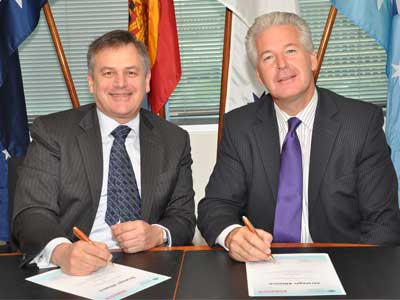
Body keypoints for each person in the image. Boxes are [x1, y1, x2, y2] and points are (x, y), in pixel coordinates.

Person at [198, 11, 400, 262]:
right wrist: (233, 236)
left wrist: (357, 280)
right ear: (259, 76)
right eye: (268, 57)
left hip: (345, 268)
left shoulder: (360, 122)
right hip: (264, 266)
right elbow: (215, 205)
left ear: (312, 60)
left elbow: (383, 222)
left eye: (291, 51)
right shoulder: (240, 126)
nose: (281, 65)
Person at [12, 30, 195, 275]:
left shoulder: (174, 139)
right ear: (91, 82)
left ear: (147, 80)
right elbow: (31, 212)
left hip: (147, 268)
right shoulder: (53, 132)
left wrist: (156, 234)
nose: (121, 83)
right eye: (108, 73)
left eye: (131, 72)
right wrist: (63, 252)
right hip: (70, 269)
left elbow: (183, 217)